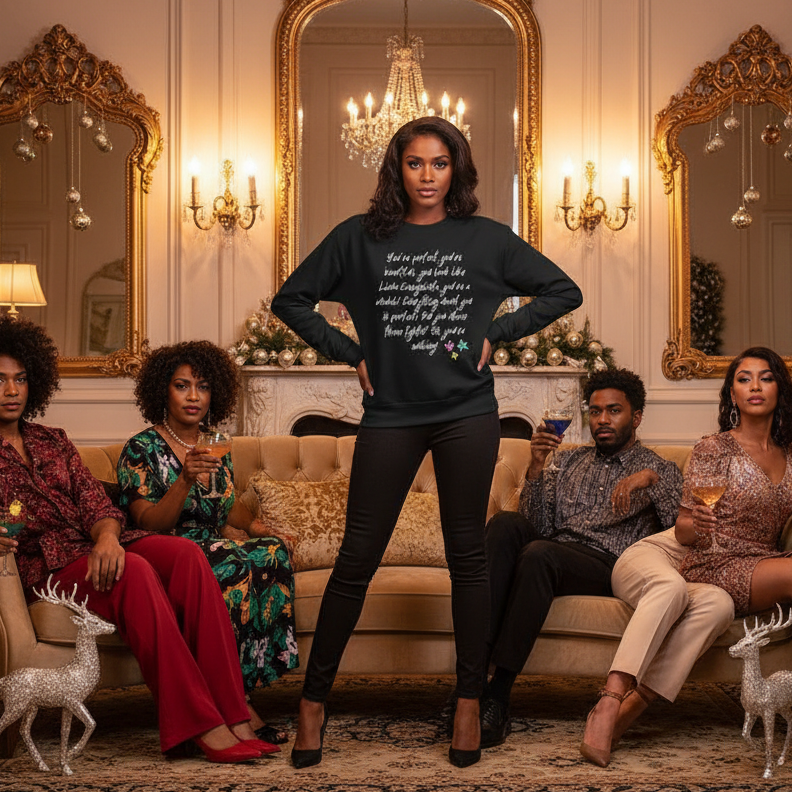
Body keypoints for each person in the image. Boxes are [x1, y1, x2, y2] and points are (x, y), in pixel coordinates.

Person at [272, 116, 582, 768]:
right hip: (390, 414)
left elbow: (563, 290)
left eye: (439, 164)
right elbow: (292, 299)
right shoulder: (359, 240)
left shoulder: (488, 240)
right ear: (397, 170)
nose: (427, 177)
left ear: (456, 170)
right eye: (415, 164)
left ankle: (469, 700)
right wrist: (347, 349)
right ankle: (313, 701)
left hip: (467, 412)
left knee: (468, 556)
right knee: (357, 557)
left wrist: (501, 332)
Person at [0, 315, 273, 763]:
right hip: (46, 566)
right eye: (1, 380)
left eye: (21, 379)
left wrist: (108, 538)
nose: (12, 390)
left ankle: (234, 711)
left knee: (185, 554)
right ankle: (198, 726)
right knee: (139, 570)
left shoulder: (53, 440)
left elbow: (97, 504)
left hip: (98, 544)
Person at [481, 368, 684, 754]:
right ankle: (471, 682)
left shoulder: (657, 468)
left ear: (636, 417)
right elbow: (539, 524)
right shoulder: (571, 462)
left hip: (607, 563)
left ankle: (498, 695)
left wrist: (651, 480)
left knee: (541, 553)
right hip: (554, 551)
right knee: (506, 524)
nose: (602, 420)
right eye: (594, 412)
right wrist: (537, 466)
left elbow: (683, 528)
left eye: (613, 411)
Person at [117, 340, 298, 745]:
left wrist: (255, 527)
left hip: (215, 544)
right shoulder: (140, 449)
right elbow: (149, 523)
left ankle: (244, 685)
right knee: (231, 564)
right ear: (163, 390)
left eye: (202, 386)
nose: (194, 396)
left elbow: (225, 503)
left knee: (271, 553)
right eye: (182, 386)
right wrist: (183, 479)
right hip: (172, 553)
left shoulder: (217, 442)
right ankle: (239, 704)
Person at [578, 530, 735, 767]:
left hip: (695, 576)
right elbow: (684, 524)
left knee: (720, 605)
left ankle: (633, 705)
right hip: (653, 557)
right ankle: (608, 701)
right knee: (670, 586)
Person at [677, 346, 792, 616]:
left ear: (780, 390)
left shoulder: (789, 452)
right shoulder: (713, 448)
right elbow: (682, 531)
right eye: (744, 379)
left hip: (769, 559)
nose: (754, 387)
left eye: (766, 378)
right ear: (732, 393)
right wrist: (697, 522)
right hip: (715, 563)